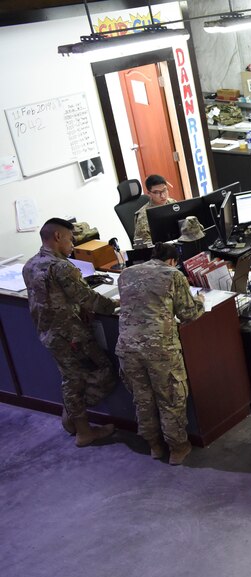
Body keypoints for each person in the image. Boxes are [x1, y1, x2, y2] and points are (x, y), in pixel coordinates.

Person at [21, 218, 119, 446]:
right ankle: (78, 423)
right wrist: (114, 304)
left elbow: (51, 299)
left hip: (48, 333)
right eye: (70, 239)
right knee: (99, 373)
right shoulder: (62, 267)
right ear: (57, 237)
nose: (73, 244)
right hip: (71, 335)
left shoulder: (31, 264)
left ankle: (76, 420)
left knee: (71, 379)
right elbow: (88, 298)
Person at [116, 242, 205, 465]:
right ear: (173, 261)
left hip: (127, 348)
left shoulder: (126, 274)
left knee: (143, 399)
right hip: (160, 349)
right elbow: (188, 313)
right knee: (171, 399)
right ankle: (177, 449)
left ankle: (154, 446)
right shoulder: (173, 275)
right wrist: (200, 302)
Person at [133, 174, 178, 247]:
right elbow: (145, 245)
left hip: (175, 243)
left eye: (164, 190)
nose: (162, 195)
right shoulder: (144, 215)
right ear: (149, 193)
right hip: (159, 251)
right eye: (157, 192)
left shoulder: (172, 203)